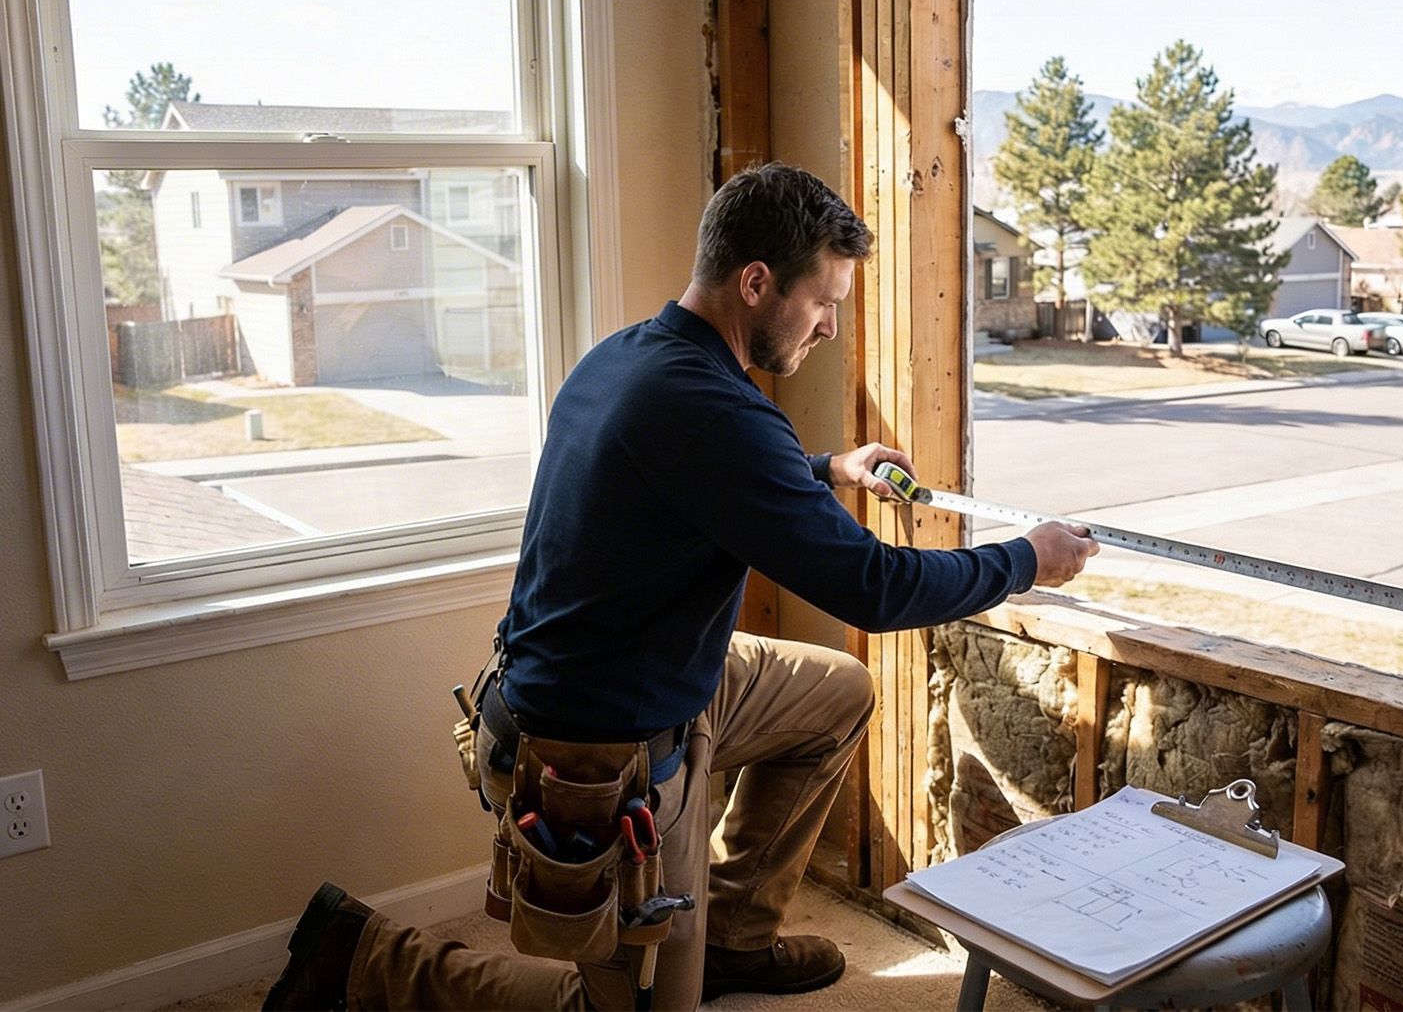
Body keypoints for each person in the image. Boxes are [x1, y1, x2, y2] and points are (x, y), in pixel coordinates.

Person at [264, 162, 1098, 1011]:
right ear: (757, 282)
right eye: (823, 301)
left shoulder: (629, 356)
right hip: (592, 753)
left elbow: (698, 477)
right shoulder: (718, 413)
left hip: (643, 681)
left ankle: (731, 935)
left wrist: (826, 468)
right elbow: (876, 589)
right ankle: (358, 955)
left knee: (838, 692)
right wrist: (1026, 558)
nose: (830, 326)